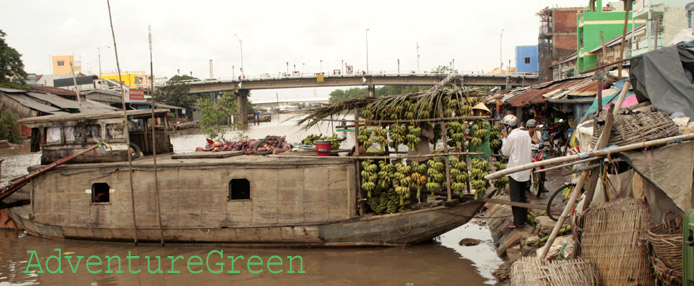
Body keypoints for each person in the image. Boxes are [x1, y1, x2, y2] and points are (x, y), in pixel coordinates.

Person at [500, 114, 532, 229]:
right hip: (526, 168)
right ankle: (523, 219)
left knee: (515, 197)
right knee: (522, 194)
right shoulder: (526, 134)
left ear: (508, 127)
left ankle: (518, 222)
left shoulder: (511, 137)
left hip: (515, 169)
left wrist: (504, 138)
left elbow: (505, 152)